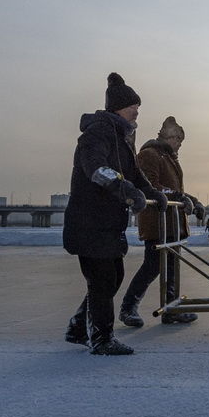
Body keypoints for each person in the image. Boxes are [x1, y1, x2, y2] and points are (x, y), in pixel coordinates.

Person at [62, 73, 164, 356]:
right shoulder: (98, 132)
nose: (137, 112)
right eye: (134, 107)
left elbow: (135, 174)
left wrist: (153, 192)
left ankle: (79, 328)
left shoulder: (122, 138)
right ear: (119, 107)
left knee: (112, 276)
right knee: (103, 279)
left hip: (106, 223)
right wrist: (125, 189)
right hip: (89, 221)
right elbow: (96, 169)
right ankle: (101, 339)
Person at [118, 116, 205, 327]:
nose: (179, 145)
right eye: (177, 141)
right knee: (152, 266)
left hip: (172, 224)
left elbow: (175, 191)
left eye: (181, 142)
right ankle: (128, 307)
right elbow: (153, 188)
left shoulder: (169, 158)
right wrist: (181, 198)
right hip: (157, 223)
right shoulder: (149, 155)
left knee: (172, 267)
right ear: (167, 136)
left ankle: (171, 308)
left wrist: (191, 200)